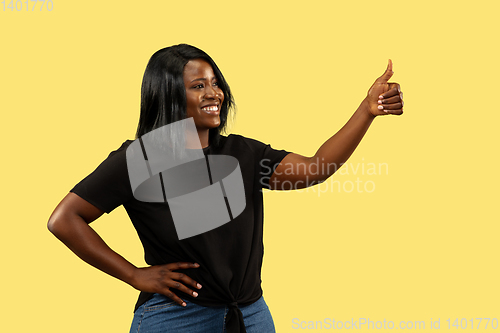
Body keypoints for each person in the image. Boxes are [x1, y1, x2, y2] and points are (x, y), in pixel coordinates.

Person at [47, 44, 404, 333]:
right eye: (198, 85)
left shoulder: (242, 154)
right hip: (178, 318)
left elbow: (314, 169)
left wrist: (366, 111)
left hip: (250, 315)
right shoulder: (139, 159)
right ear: (169, 95)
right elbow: (64, 219)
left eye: (215, 82)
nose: (213, 93)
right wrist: (133, 275)